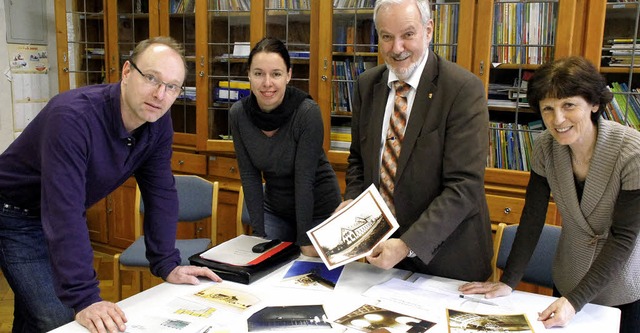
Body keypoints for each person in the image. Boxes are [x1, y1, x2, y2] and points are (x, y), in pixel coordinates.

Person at [0, 36, 221, 333]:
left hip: (50, 211)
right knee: (57, 318)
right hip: (13, 213)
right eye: (151, 78)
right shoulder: (72, 117)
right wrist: (85, 297)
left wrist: (167, 263)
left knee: (34, 314)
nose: (160, 94)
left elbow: (161, 193)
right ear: (127, 72)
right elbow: (64, 210)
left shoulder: (156, 122)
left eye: (172, 87)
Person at [459, 56, 640, 332]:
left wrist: (574, 301)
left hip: (620, 287)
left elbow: (624, 237)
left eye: (569, 105)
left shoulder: (632, 152)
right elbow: (532, 217)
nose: (558, 120)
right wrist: (509, 281)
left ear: (593, 104)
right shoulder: (545, 147)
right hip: (569, 279)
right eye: (548, 109)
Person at [338, 0, 493, 282]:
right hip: (383, 255)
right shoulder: (366, 85)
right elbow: (359, 160)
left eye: (408, 34)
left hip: (448, 262)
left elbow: (464, 187)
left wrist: (408, 244)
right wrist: (352, 201)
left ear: (429, 30)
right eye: (387, 37)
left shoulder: (462, 89)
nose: (397, 48)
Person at [229, 37, 342, 257]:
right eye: (259, 73)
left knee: (313, 278)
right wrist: (259, 234)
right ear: (249, 76)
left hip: (319, 210)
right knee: (266, 269)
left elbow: (304, 180)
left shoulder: (307, 113)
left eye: (276, 74)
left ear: (289, 75)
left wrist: (304, 239)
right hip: (276, 211)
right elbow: (250, 178)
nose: (267, 82)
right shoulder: (238, 114)